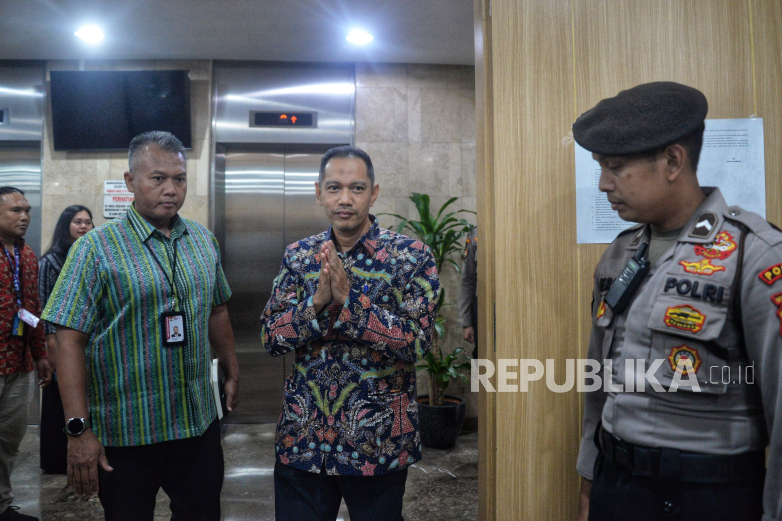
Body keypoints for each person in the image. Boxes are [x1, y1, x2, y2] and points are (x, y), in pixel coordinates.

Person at [572, 82, 782, 521]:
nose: (603, 185)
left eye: (615, 167)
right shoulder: (619, 253)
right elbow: (600, 382)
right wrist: (590, 487)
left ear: (673, 161)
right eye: (600, 167)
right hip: (618, 488)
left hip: (706, 497)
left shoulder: (762, 257)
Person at [41, 132, 240, 521]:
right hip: (126, 433)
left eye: (179, 179)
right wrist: (78, 429)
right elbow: (67, 342)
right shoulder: (94, 249)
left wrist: (230, 366)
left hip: (196, 424)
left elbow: (217, 309)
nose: (171, 189)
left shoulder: (203, 241)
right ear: (131, 181)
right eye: (158, 178)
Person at [260, 145, 440, 521]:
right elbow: (270, 337)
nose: (345, 199)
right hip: (304, 441)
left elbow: (417, 342)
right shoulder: (299, 256)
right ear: (319, 192)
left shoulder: (412, 257)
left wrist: (352, 303)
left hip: (379, 442)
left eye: (357, 188)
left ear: (373, 194)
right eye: (334, 188)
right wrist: (317, 304)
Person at [0, 186, 51, 521]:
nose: (24, 216)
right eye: (16, 210)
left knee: (9, 439)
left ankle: (2, 505)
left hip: (19, 361)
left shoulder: (28, 255)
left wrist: (41, 354)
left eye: (27, 210)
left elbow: (31, 307)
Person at [37, 205, 93, 476]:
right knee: (58, 399)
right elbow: (44, 304)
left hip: (84, 341)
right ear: (65, 226)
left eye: (87, 222)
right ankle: (56, 458)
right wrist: (50, 345)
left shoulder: (91, 256)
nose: (83, 227)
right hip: (57, 341)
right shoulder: (50, 261)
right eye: (77, 222)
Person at [458, 225, 478, 357]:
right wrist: (466, 322)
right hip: (485, 308)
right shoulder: (476, 232)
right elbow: (468, 281)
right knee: (482, 358)